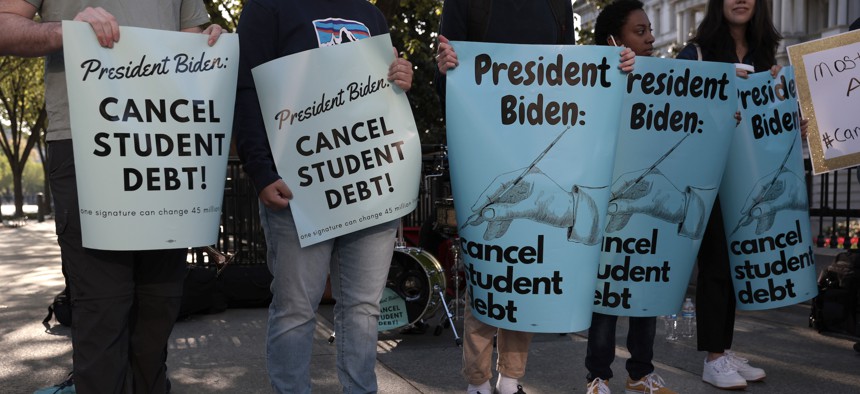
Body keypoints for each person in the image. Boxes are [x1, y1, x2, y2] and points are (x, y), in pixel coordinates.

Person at [0, 1, 222, 393]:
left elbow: (188, 43)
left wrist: (210, 44)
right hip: (87, 139)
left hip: (165, 137)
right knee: (102, 312)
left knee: (159, 308)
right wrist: (65, 31)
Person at [435, 1, 635, 393]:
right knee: (490, 266)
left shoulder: (556, 3)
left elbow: (574, 73)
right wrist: (443, 67)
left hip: (542, 146)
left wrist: (615, 65)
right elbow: (445, 81)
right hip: (485, 150)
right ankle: (478, 382)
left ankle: (510, 380)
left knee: (528, 268)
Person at [232, 1, 413, 392]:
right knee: (296, 310)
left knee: (365, 310)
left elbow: (385, 90)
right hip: (298, 191)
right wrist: (260, 171)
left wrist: (401, 74)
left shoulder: (370, 14)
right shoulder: (267, 8)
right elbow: (246, 90)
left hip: (370, 186)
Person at [675, 0, 781, 389]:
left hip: (748, 174)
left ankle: (724, 347)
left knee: (735, 267)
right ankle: (713, 357)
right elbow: (676, 107)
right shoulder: (696, 53)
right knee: (716, 263)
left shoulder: (764, 53)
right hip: (709, 172)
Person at [583, 3, 677, 394]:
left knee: (645, 287)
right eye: (640, 31)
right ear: (613, 41)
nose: (652, 38)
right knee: (607, 294)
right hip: (610, 208)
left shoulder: (670, 82)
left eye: (650, 30)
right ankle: (598, 377)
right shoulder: (591, 83)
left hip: (646, 208)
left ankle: (640, 373)